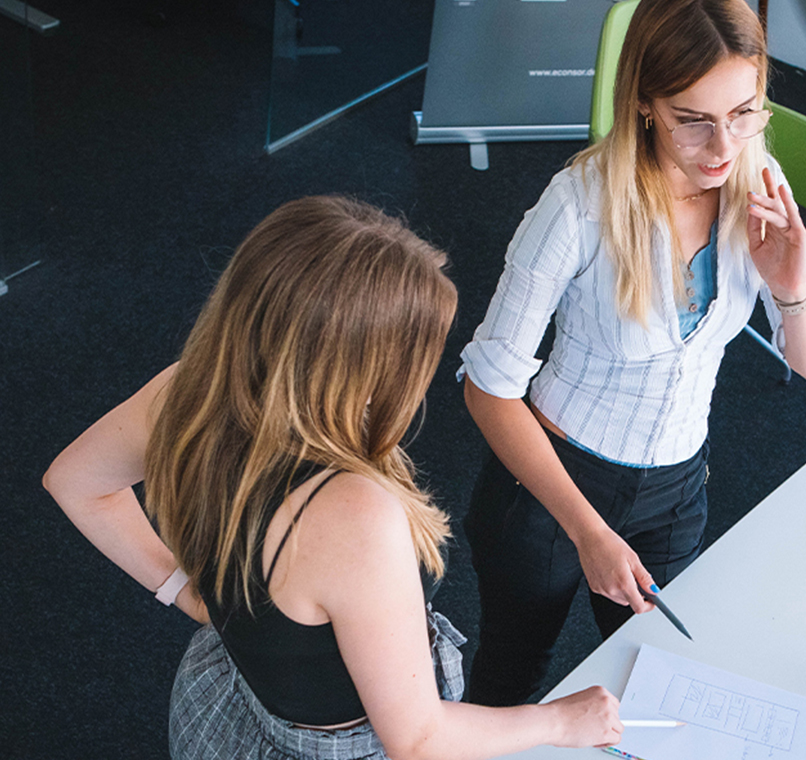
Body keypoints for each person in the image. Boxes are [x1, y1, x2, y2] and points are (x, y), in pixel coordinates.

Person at [43, 196, 622, 760]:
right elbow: (418, 741)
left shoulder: (187, 393)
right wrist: (561, 720)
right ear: (354, 363)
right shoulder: (351, 514)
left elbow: (75, 482)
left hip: (232, 705)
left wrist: (189, 595)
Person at [459, 0, 806, 706]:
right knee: (511, 683)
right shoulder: (577, 206)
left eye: (743, 112)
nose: (722, 147)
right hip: (552, 487)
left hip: (674, 490)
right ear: (644, 104)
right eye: (693, 119)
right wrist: (589, 532)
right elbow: (488, 389)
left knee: (655, 687)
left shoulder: (757, 180)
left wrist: (791, 287)